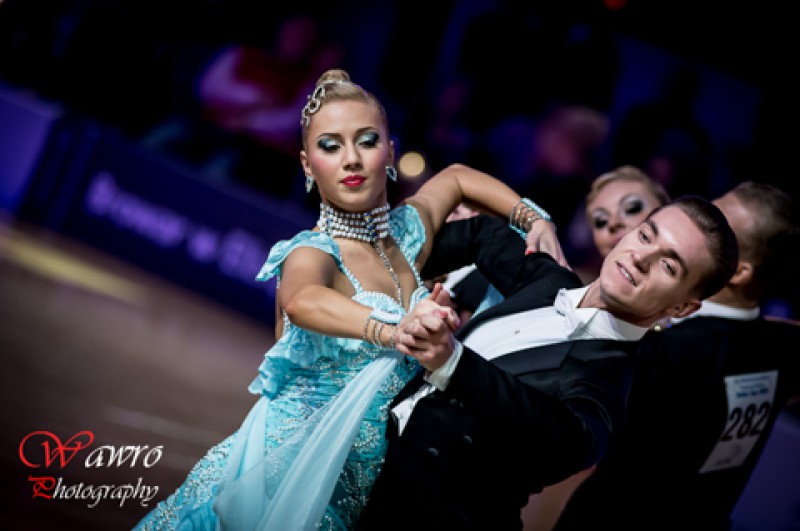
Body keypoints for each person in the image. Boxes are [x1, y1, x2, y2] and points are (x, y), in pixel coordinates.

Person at [133, 68, 565, 531]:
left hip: (349, 496)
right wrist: (393, 329)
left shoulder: (409, 233)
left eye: (367, 141)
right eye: (330, 146)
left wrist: (534, 218)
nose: (352, 159)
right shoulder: (312, 252)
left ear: (391, 152)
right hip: (276, 481)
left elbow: (458, 178)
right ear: (307, 165)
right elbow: (302, 300)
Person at [356, 194, 739, 530]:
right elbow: (482, 233)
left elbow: (564, 436)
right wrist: (380, 273)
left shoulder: (606, 386)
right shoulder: (549, 281)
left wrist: (452, 361)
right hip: (364, 472)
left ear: (681, 307)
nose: (641, 258)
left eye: (668, 266)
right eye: (645, 235)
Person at [552, 181, 800, 531]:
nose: (702, 223)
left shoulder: (668, 350)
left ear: (739, 271)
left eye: (720, 225)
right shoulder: (783, 345)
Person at [520, 163, 671, 530]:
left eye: (632, 207)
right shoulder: (565, 296)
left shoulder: (694, 328)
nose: (615, 224)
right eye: (601, 221)